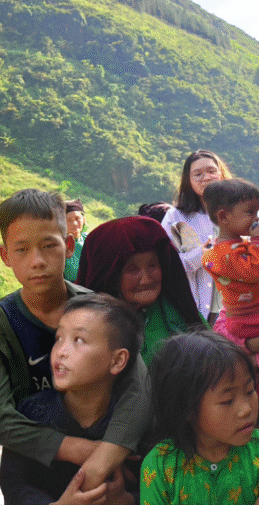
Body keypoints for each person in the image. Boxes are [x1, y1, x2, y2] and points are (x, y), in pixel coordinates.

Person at [0, 188, 151, 495]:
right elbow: (0, 420)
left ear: (69, 245)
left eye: (49, 246)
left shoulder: (99, 311)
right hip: (35, 465)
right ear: (6, 256)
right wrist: (86, 451)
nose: (37, 261)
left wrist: (106, 457)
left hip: (111, 458)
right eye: (22, 249)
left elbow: (138, 389)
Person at [0, 293, 144, 505]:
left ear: (118, 360)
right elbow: (13, 484)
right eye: (59, 338)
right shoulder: (32, 412)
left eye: (78, 340)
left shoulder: (132, 423)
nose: (61, 352)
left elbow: (161, 484)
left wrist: (127, 500)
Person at [140, 331, 259, 504]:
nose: (246, 409)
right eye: (227, 401)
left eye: (250, 391)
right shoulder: (160, 466)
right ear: (187, 409)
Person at [76, 216, 205, 366]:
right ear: (110, 276)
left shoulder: (178, 310)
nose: (146, 279)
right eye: (132, 269)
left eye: (152, 265)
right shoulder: (92, 327)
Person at [161, 149, 233, 322]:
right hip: (195, 310)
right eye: (198, 174)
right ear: (189, 181)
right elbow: (166, 265)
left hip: (237, 308)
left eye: (211, 171)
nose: (206, 177)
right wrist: (201, 254)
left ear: (221, 173)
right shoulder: (176, 217)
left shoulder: (243, 212)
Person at [201, 179, 259, 345]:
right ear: (224, 216)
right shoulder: (222, 255)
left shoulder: (236, 247)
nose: (256, 219)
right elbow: (255, 271)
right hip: (250, 322)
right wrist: (256, 240)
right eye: (250, 213)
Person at [63, 199, 87, 283]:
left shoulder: (89, 239)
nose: (75, 224)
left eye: (78, 218)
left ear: (84, 220)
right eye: (69, 220)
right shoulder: (60, 244)